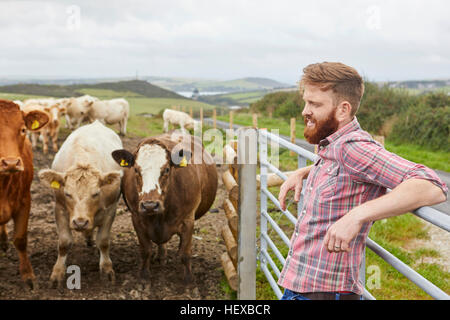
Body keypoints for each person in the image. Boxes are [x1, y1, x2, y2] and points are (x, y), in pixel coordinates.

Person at [277, 62, 448, 300]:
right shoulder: (333, 146)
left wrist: (357, 216)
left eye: (315, 104)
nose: (305, 111)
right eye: (306, 102)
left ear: (343, 109)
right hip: (304, 286)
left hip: (324, 293)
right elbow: (345, 172)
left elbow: (432, 185)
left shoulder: (353, 148)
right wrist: (306, 172)